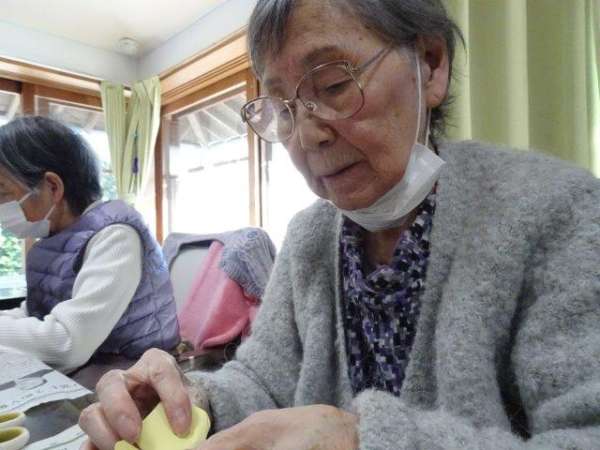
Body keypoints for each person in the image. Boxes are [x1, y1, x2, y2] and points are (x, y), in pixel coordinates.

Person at [79, 0, 600, 448]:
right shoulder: (310, 236)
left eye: (332, 84)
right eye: (282, 109)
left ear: (431, 65)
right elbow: (263, 380)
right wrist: (190, 403)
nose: (306, 137)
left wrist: (362, 439)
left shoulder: (555, 212)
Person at [0, 116, 179, 373]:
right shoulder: (51, 242)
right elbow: (32, 312)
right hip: (92, 370)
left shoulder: (115, 236)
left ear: (53, 187)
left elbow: (67, 343)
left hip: (134, 374)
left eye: (2, 192)